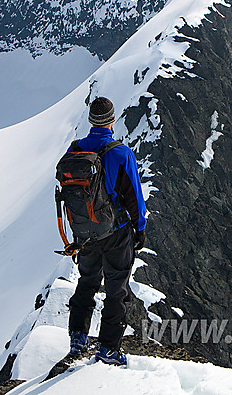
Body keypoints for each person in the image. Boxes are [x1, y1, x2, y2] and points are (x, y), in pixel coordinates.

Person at [68, 96, 147, 366]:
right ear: (112, 121)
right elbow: (135, 196)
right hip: (116, 233)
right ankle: (108, 349)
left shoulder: (74, 150)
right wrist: (140, 229)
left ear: (91, 121)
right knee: (116, 289)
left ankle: (78, 337)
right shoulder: (120, 153)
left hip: (86, 231)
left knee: (87, 281)